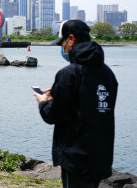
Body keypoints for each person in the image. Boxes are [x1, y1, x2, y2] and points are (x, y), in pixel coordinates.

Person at [33, 20, 118, 188]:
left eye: (62, 43)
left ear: (71, 39)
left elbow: (52, 115)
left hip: (76, 156)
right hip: (101, 154)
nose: (62, 48)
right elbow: (90, 103)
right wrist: (59, 92)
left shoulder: (69, 74)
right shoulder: (108, 73)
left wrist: (43, 102)